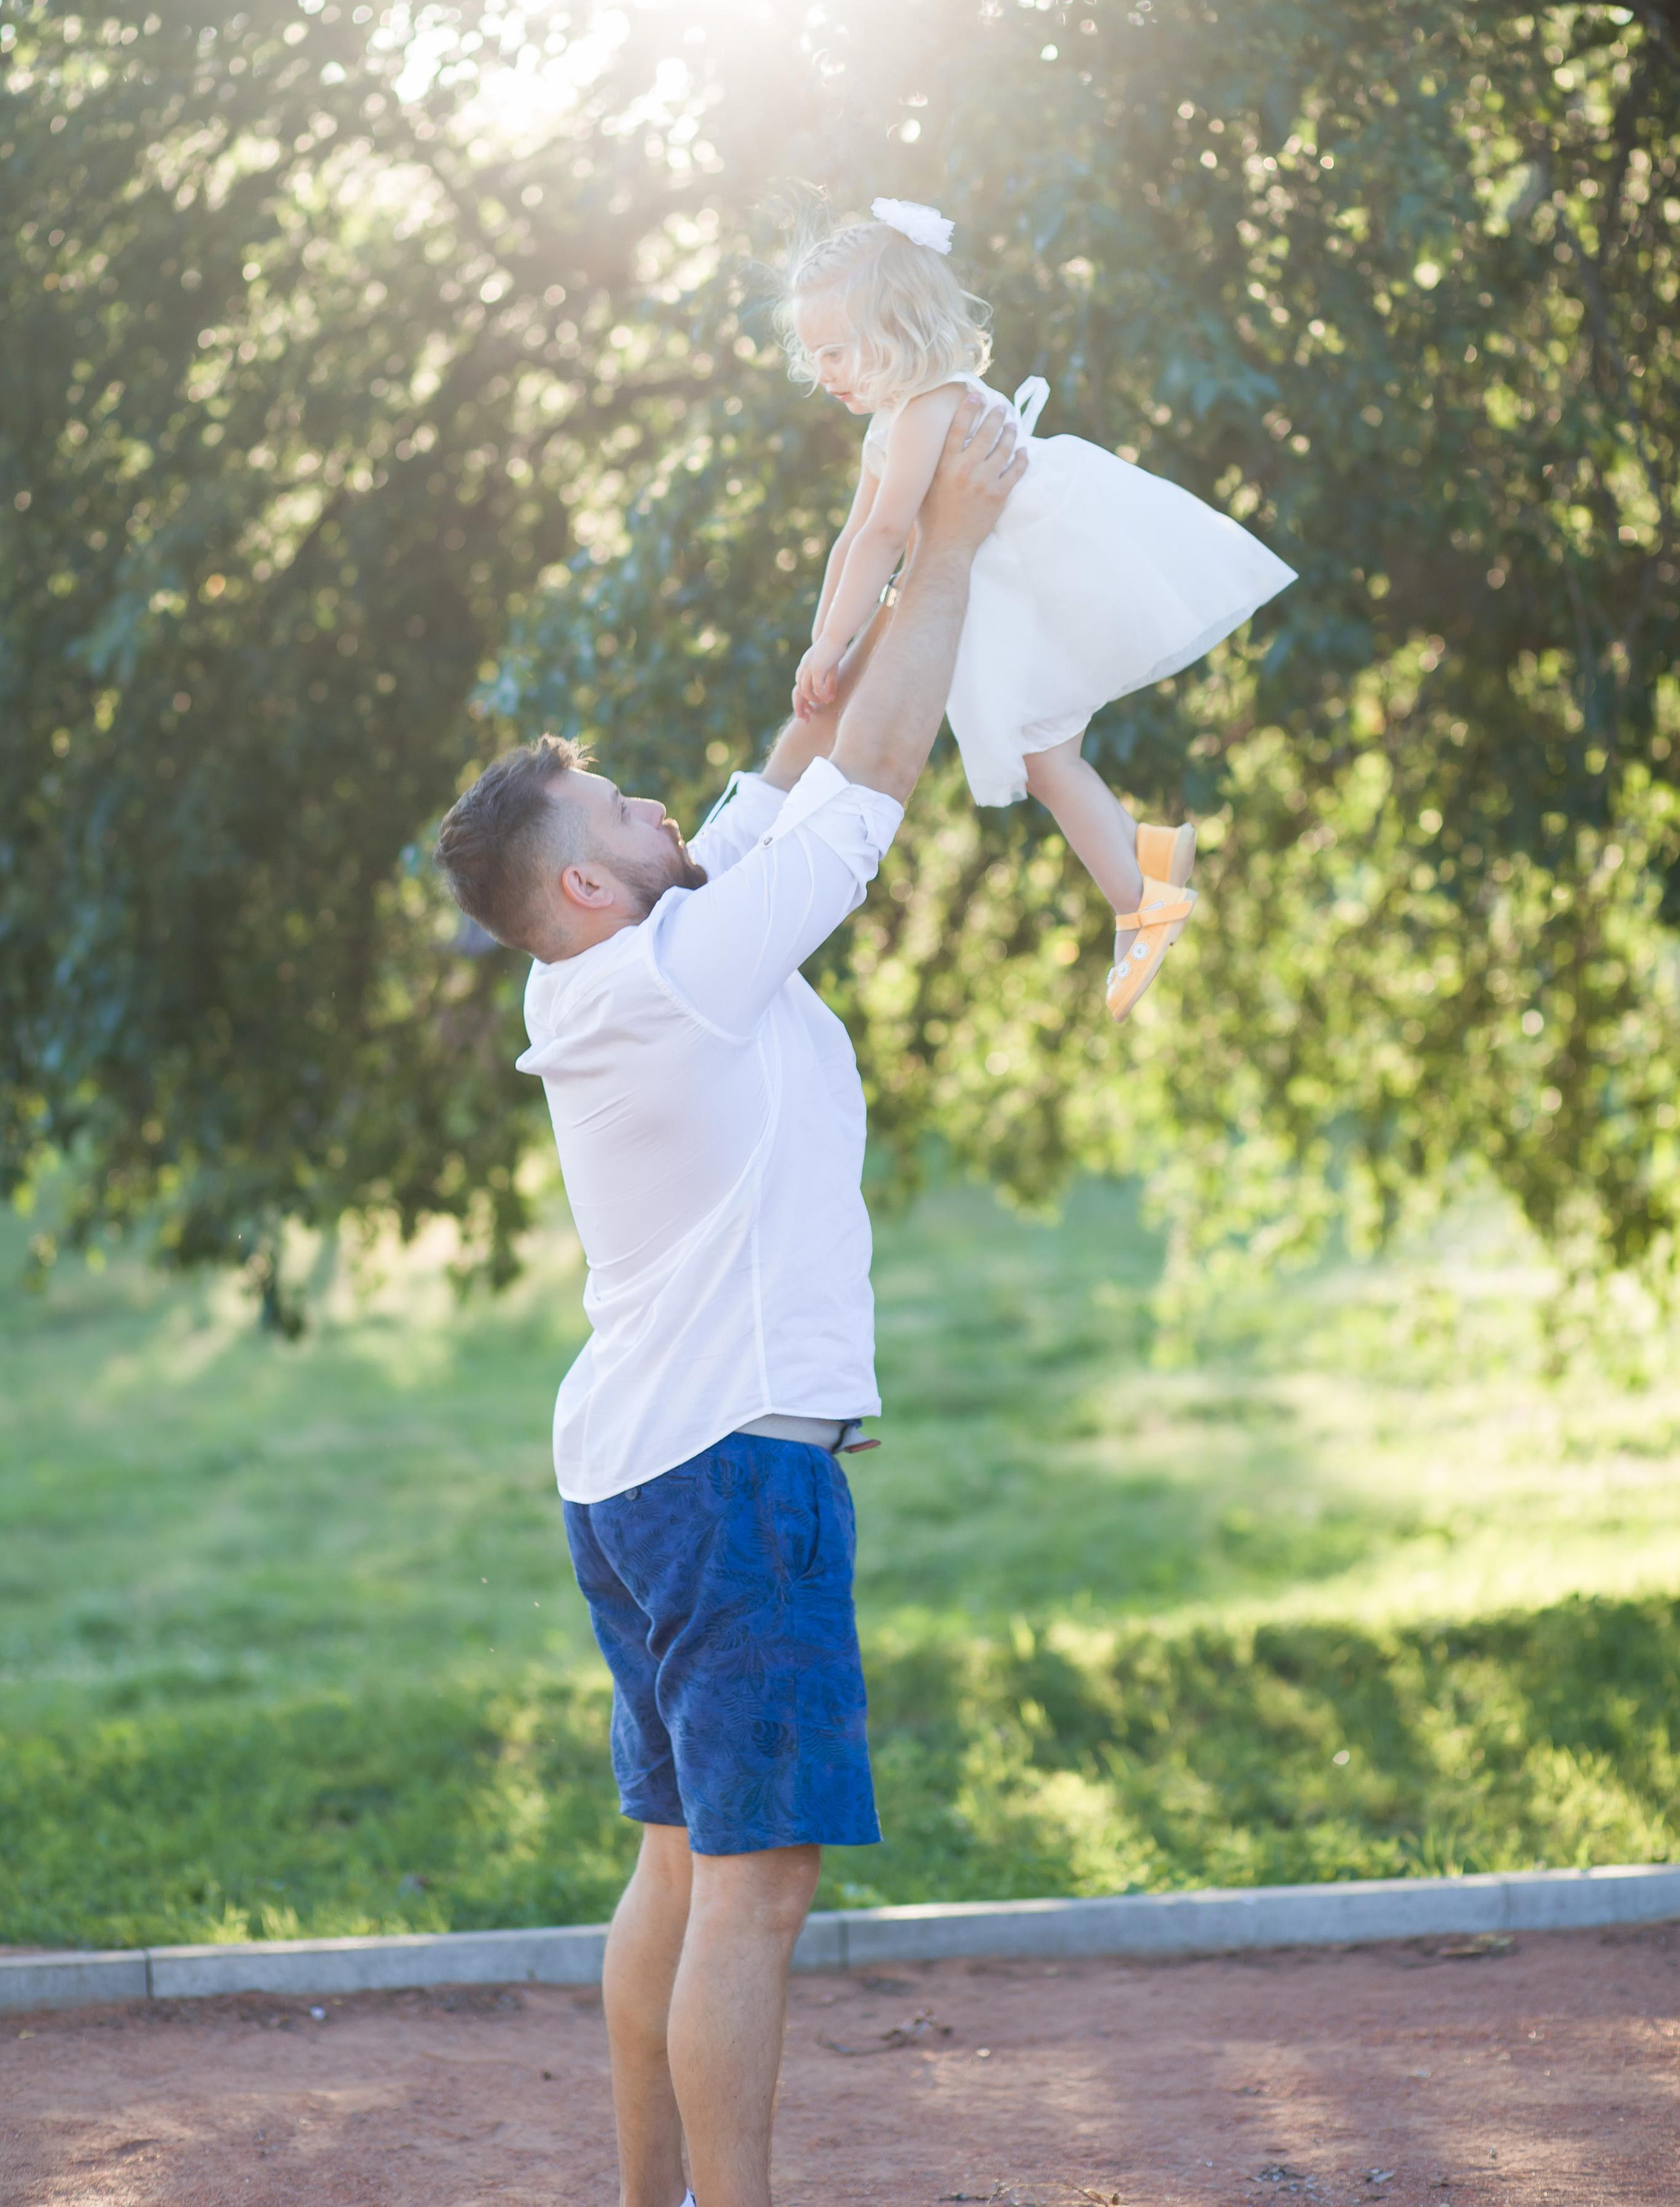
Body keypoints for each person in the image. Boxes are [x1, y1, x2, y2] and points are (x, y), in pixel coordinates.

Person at [432, 393, 1026, 2207]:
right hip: (730, 1479)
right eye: (622, 799)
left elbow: (802, 762)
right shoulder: (684, 968)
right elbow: (864, 805)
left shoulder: (606, 977)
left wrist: (867, 576)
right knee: (755, 1894)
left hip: (631, 1475)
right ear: (594, 882)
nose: (660, 792)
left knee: (682, 1871)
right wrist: (963, 552)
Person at [778, 194, 1297, 1020]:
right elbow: (854, 541)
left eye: (836, 351)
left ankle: (1143, 896)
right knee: (1043, 760)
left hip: (1041, 579)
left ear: (897, 329)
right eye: (815, 359)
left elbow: (884, 536)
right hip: (1011, 591)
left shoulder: (931, 405)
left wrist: (838, 642)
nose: (824, 374)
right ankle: (1142, 869)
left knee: (1041, 759)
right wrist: (824, 646)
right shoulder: (896, 418)